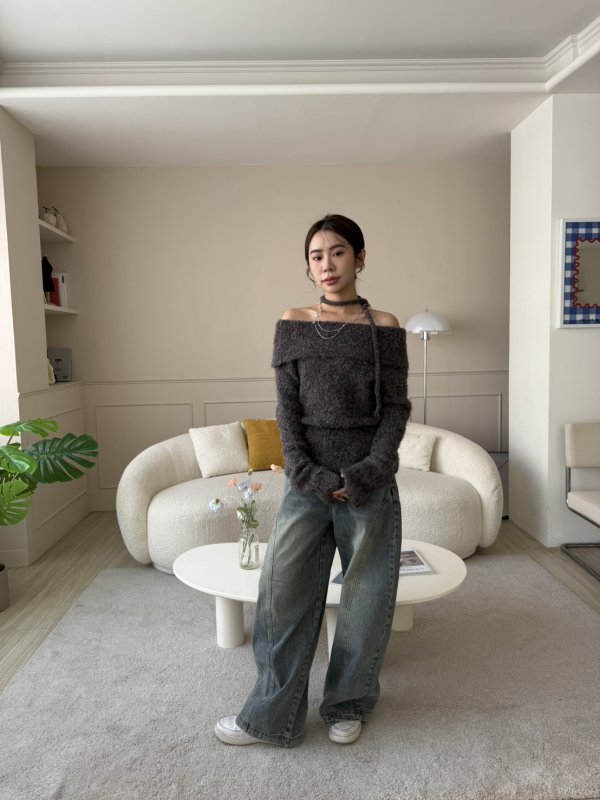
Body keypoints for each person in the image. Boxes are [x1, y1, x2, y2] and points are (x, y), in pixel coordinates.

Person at [215, 213, 411, 748]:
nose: (327, 264)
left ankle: (348, 704)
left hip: (369, 483)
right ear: (308, 265)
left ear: (360, 258)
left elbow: (396, 409)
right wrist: (307, 472)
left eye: (338, 252)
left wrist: (367, 472)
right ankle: (270, 715)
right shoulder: (293, 321)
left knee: (366, 600)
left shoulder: (386, 325)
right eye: (316, 256)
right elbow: (288, 411)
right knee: (280, 596)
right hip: (307, 484)